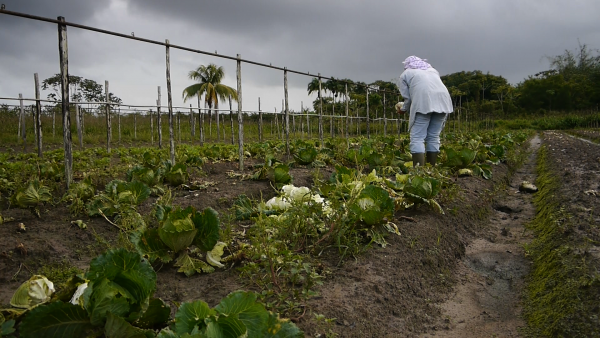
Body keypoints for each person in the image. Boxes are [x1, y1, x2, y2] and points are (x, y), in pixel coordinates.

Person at [397, 56, 453, 166]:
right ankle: (431, 167)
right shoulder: (432, 70)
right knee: (433, 135)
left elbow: (407, 99)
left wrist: (403, 109)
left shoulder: (405, 74)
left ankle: (420, 171)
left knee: (417, 137)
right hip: (443, 101)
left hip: (424, 102)